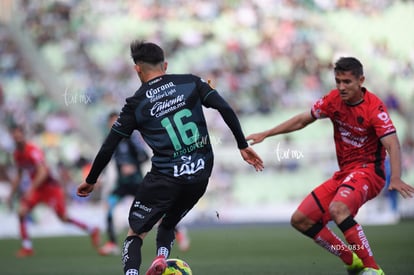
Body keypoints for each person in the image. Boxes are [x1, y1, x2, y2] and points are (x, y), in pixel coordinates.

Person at [77, 41, 264, 275]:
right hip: (200, 174)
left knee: (135, 234)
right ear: (165, 65)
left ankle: (132, 273)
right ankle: (162, 257)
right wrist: (242, 145)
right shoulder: (191, 82)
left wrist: (92, 179)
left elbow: (109, 145)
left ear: (137, 69)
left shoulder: (135, 104)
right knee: (168, 223)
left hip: (164, 177)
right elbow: (224, 107)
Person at [246, 57, 414, 275]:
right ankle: (351, 260)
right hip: (344, 173)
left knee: (338, 209)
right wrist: (266, 133)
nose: (341, 87)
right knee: (301, 220)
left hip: (369, 171)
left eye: (347, 82)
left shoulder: (374, 108)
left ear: (360, 80)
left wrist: (396, 177)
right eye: (338, 81)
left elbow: (392, 143)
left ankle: (373, 269)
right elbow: (302, 120)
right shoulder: (333, 100)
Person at [99, 112, 190, 256]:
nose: (113, 124)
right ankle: (112, 243)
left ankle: (179, 232)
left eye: (115, 121)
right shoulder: (112, 140)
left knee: (157, 211)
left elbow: (145, 156)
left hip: (136, 183)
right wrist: (100, 176)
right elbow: (105, 159)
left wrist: (133, 166)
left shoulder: (130, 139)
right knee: (109, 208)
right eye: (111, 122)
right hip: (122, 185)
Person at [7, 124, 100, 257]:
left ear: (23, 135)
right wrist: (11, 193)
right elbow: (19, 174)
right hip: (37, 189)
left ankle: (91, 229)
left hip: (50, 188)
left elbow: (43, 172)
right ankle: (27, 247)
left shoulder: (32, 150)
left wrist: (30, 188)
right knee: (22, 212)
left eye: (19, 134)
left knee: (63, 217)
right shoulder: (17, 154)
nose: (17, 138)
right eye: (15, 135)